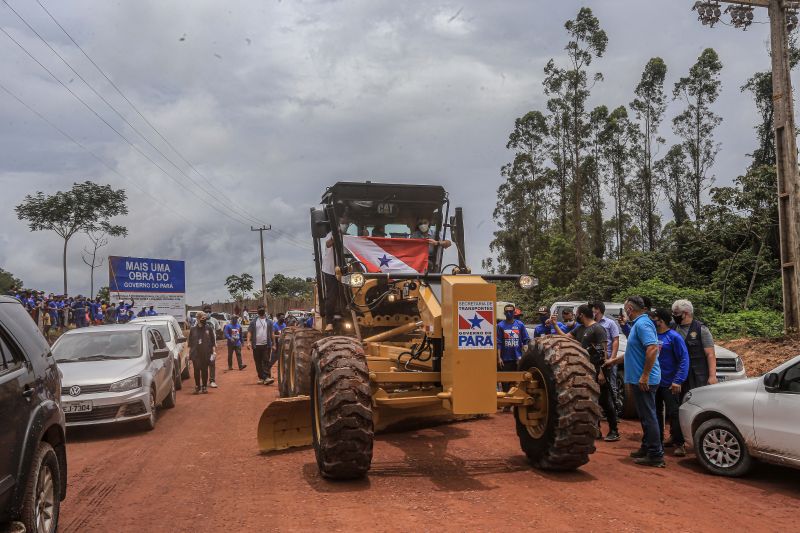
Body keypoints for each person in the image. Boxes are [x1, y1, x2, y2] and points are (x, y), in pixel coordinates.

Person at [606, 296, 663, 467]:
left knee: (649, 416)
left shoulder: (643, 324)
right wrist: (613, 361)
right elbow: (633, 353)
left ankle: (655, 454)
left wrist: (645, 375)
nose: (626, 313)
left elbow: (652, 348)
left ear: (630, 308)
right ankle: (647, 447)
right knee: (645, 417)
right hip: (640, 379)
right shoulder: (639, 324)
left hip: (644, 380)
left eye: (626, 309)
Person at [556, 304, 619, 442]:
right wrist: (555, 324)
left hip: (599, 369)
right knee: (590, 400)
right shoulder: (580, 328)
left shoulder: (598, 328)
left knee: (604, 400)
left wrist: (602, 372)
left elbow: (604, 352)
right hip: (585, 370)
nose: (575, 316)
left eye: (577, 314)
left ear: (581, 315)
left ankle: (614, 430)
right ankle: (595, 429)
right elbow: (565, 337)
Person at [651, 308, 690, 457]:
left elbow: (684, 359)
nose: (652, 322)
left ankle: (679, 443)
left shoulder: (674, 337)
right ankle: (658, 441)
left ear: (661, 321)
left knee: (674, 413)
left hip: (670, 383)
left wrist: (678, 380)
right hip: (655, 382)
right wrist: (624, 326)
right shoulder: (652, 336)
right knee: (655, 412)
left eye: (654, 319)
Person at [671, 299, 717, 391]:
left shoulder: (701, 329)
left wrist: (712, 376)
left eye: (676, 313)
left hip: (697, 375)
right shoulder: (672, 327)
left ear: (686, 313)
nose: (673, 316)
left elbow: (710, 354)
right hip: (677, 374)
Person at [496, 303, 530, 404]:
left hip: (517, 358)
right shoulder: (500, 326)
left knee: (517, 382)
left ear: (514, 312)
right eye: (507, 312)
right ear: (504, 313)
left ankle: (516, 402)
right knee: (505, 382)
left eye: (511, 311)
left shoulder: (520, 325)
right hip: (505, 359)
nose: (509, 313)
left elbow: (526, 340)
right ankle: (507, 403)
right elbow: (499, 342)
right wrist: (499, 358)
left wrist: (524, 355)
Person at [591, 301, 621, 407]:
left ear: (598, 309)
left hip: (608, 358)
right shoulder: (590, 323)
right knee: (593, 384)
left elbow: (615, 340)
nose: (591, 311)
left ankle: (613, 410)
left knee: (611, 385)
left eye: (593, 308)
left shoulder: (610, 323)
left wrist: (612, 359)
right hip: (593, 359)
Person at [188, 312, 215, 394]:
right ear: (198, 319)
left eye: (205, 318)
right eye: (202, 318)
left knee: (204, 370)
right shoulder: (193, 329)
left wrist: (213, 353)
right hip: (196, 354)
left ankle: (204, 387)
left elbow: (213, 342)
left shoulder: (208, 328)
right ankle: (197, 386)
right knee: (196, 370)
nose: (204, 320)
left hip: (206, 353)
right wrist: (188, 354)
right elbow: (190, 343)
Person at [248, 306, 274, 384]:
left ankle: (266, 377)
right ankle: (261, 377)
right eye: (260, 310)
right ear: (258, 312)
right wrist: (248, 342)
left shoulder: (269, 322)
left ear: (264, 311)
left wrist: (274, 343)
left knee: (266, 361)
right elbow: (249, 332)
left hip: (266, 345)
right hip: (256, 345)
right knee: (258, 362)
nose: (261, 311)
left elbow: (272, 333)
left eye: (262, 310)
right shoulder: (253, 322)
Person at [270, 313, 287, 378]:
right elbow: (272, 335)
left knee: (282, 362)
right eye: (281, 318)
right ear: (278, 318)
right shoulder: (275, 325)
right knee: (272, 361)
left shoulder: (284, 325)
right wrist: (280, 336)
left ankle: (282, 375)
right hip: (276, 345)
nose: (283, 319)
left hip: (282, 346)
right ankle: (268, 374)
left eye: (283, 318)